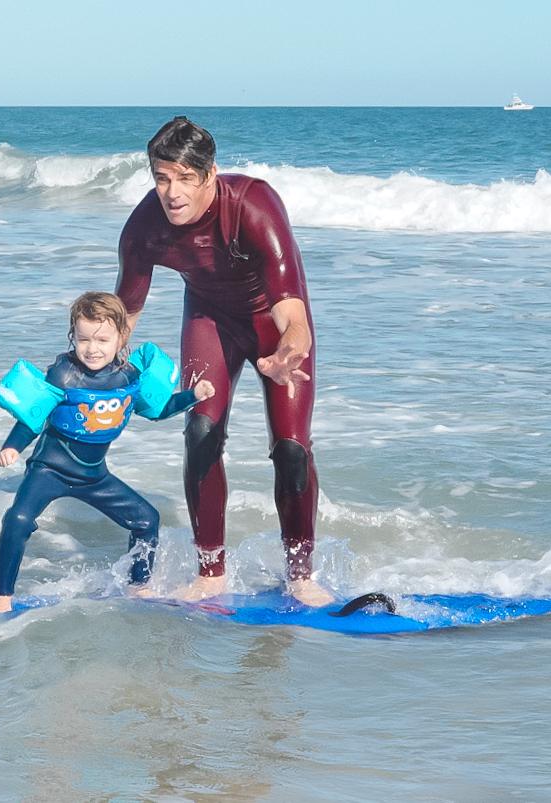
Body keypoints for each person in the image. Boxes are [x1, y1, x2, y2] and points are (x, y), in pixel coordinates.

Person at [116, 116, 333, 607]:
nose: (171, 192)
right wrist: (92, 373)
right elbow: (124, 313)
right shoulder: (145, 226)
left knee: (292, 448)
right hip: (209, 320)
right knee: (200, 432)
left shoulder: (253, 205)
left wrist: (288, 351)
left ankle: (300, 574)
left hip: (272, 324)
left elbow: (291, 309)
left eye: (184, 178)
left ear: (210, 173)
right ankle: (210, 572)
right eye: (161, 177)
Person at [0, 291, 215, 613]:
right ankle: (2, 596)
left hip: (94, 476)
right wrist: (12, 446)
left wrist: (192, 395)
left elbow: (157, 410)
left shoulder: (127, 377)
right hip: (49, 470)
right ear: (73, 337)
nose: (92, 349)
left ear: (121, 338)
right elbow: (34, 416)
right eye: (83, 340)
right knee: (18, 519)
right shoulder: (64, 375)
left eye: (102, 340)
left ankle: (139, 587)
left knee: (146, 520)